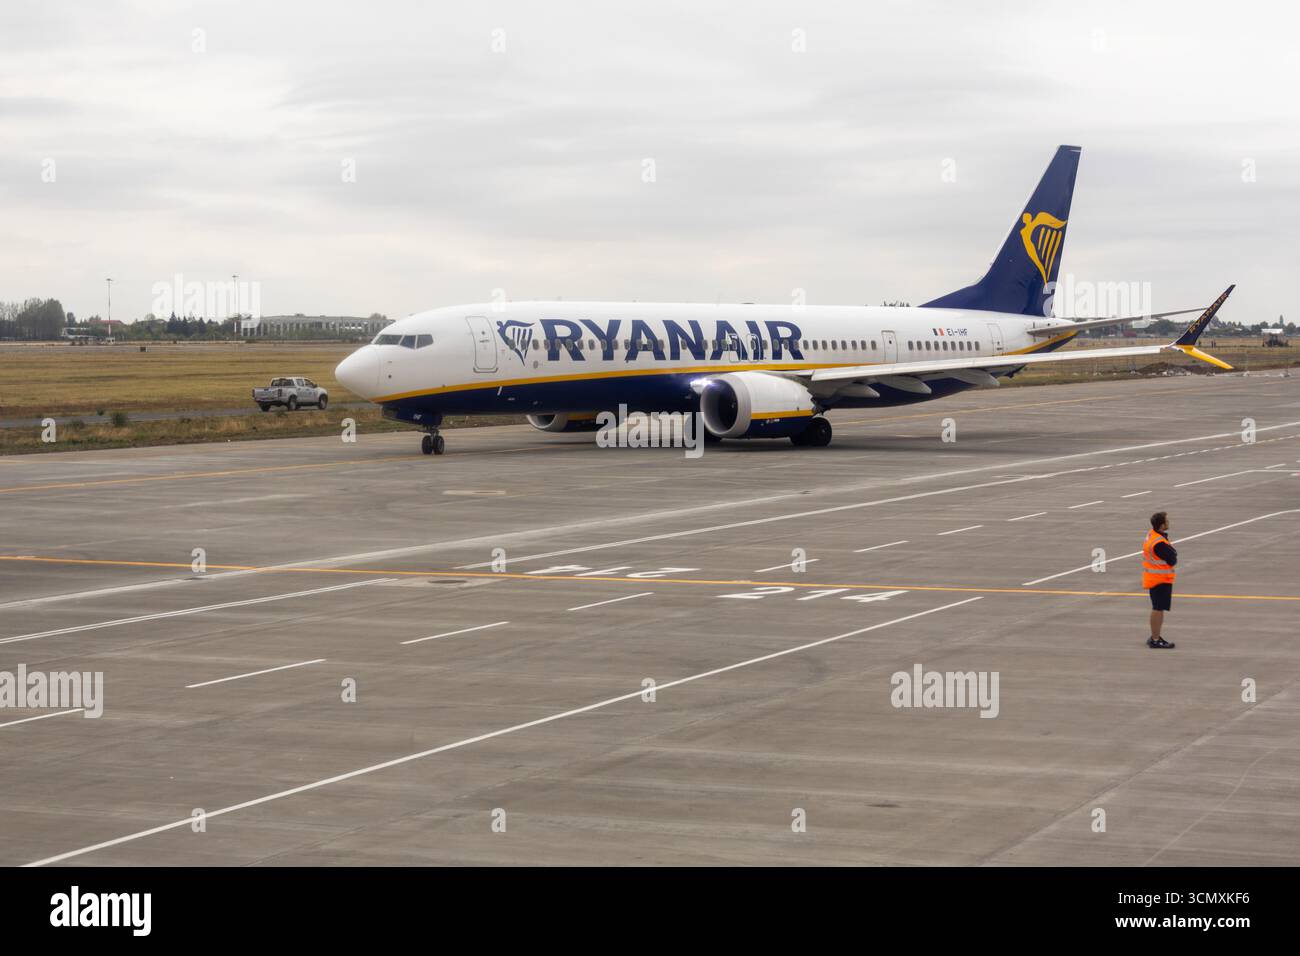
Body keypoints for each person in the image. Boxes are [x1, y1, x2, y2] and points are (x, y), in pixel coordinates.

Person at [1141, 511, 1178, 649]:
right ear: (1162, 526)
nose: (1169, 522)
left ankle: (1155, 636)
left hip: (1154, 578)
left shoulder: (1152, 535)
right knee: (1158, 608)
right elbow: (1172, 559)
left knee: (1158, 608)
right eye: (1167, 521)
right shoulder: (1159, 543)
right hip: (1160, 579)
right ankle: (1155, 639)